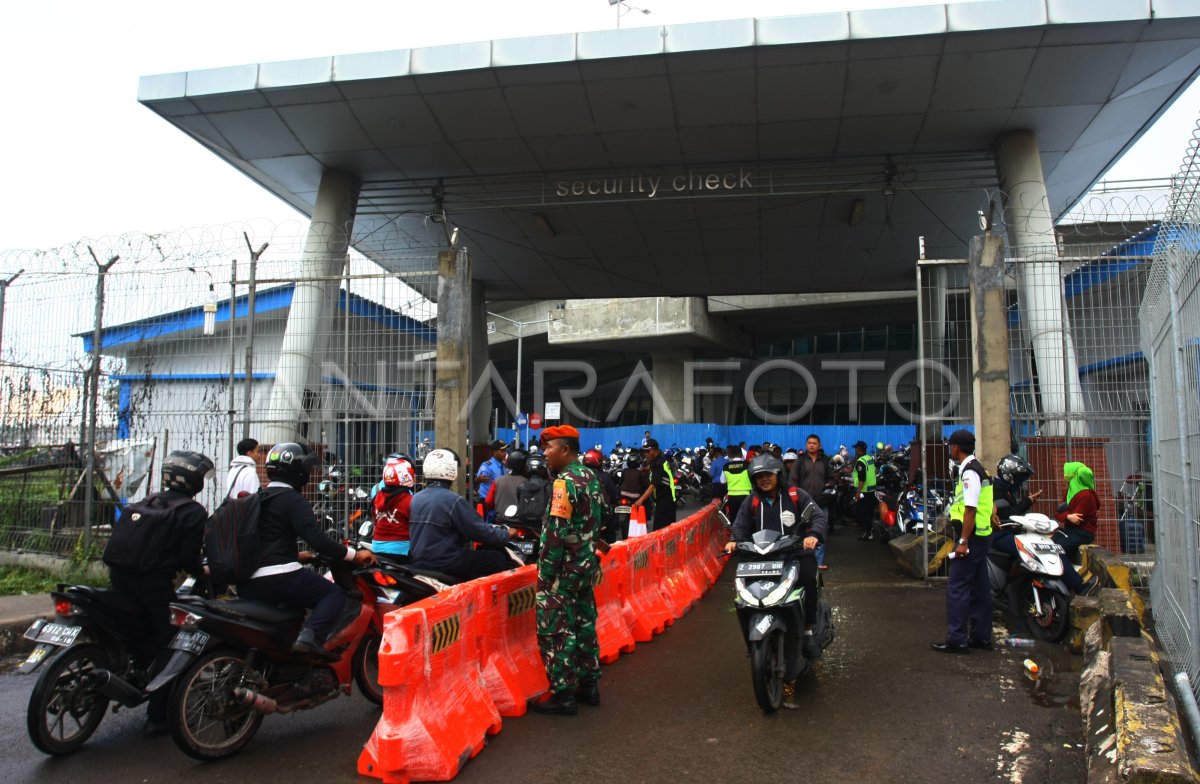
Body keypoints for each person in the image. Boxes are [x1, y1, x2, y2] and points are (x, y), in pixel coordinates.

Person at [103, 449, 213, 736]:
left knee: (133, 628)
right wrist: (200, 572)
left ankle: (131, 668)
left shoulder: (148, 500)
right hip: (152, 585)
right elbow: (190, 556)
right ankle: (157, 716)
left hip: (119, 577)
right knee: (173, 641)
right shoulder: (192, 512)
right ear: (194, 481)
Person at [236, 442, 376, 658]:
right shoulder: (293, 500)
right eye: (307, 470)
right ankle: (310, 638)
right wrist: (354, 555)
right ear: (297, 471)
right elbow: (318, 540)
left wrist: (297, 555)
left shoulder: (259, 498)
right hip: (279, 578)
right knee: (333, 595)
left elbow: (268, 538)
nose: (310, 474)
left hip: (249, 580)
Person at [531, 425, 606, 715]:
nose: (544, 454)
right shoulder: (591, 476)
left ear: (564, 450)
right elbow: (604, 517)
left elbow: (554, 534)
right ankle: (589, 686)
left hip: (562, 571)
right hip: (586, 566)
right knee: (585, 623)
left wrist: (546, 577)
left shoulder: (564, 483)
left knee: (555, 631)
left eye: (549, 448)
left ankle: (563, 694)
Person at [724, 454, 827, 659]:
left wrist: (813, 536)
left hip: (794, 554)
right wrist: (735, 540)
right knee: (742, 592)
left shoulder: (796, 494)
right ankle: (751, 635)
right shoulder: (752, 500)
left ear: (779, 474)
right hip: (760, 558)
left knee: (808, 576)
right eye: (759, 476)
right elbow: (740, 524)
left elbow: (817, 516)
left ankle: (807, 630)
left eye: (768, 474)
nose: (764, 479)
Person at [409, 448, 519, 581]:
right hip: (444, 560)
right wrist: (505, 534)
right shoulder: (453, 500)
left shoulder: (416, 498)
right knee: (497, 559)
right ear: (451, 470)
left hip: (420, 559)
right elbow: (478, 530)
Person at [932, 430, 994, 654]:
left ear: (957, 447)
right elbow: (989, 502)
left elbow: (970, 509)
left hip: (972, 537)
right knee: (980, 587)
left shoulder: (969, 472)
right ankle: (981, 636)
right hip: (982, 535)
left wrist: (963, 541)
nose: (950, 448)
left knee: (957, 587)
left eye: (951, 445)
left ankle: (957, 639)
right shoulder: (979, 468)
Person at [1053, 461, 1101, 594]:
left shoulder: (1086, 496)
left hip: (1082, 532)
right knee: (1048, 545)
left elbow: (1076, 520)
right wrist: (1067, 516)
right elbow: (1059, 513)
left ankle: (1079, 586)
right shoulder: (1071, 492)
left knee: (1056, 551)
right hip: (1071, 530)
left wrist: (1066, 516)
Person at [792, 433, 835, 568]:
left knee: (820, 531)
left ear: (819, 446)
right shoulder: (800, 461)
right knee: (800, 532)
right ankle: (801, 562)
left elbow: (832, 478)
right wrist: (796, 499)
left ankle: (818, 562)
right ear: (806, 445)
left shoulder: (825, 461)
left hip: (821, 503)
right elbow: (793, 481)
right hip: (803, 504)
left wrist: (829, 485)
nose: (811, 445)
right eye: (809, 443)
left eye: (814, 443)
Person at [372, 456, 416, 559]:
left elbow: (375, 522)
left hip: (376, 548)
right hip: (401, 550)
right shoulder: (409, 500)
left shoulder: (377, 497)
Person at [633, 438, 677, 530]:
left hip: (665, 502)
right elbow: (655, 468)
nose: (646, 454)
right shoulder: (660, 458)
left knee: (660, 531)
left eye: (648, 451)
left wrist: (640, 500)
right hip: (668, 499)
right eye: (644, 452)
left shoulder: (658, 464)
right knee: (668, 529)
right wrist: (647, 469)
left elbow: (653, 485)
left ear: (654, 450)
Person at [583, 447, 620, 542]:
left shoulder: (577, 476)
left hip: (582, 521)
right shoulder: (604, 478)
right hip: (601, 520)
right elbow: (614, 496)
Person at [487, 449, 529, 520]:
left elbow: (488, 501)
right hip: (520, 522)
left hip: (500, 521)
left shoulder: (497, 481)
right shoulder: (527, 482)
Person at [475, 439, 508, 519]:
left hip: (499, 501)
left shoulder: (503, 465)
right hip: (487, 501)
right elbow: (478, 481)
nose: (505, 453)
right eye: (502, 451)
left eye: (505, 451)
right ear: (494, 452)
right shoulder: (487, 466)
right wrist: (477, 480)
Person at [852, 440, 877, 541]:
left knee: (861, 513)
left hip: (864, 491)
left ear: (859, 449)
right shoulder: (869, 458)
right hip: (871, 490)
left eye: (856, 449)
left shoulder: (861, 461)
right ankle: (868, 531)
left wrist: (858, 492)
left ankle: (869, 533)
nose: (855, 450)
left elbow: (862, 478)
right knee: (868, 513)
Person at [721, 446, 752, 519]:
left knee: (734, 517)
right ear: (741, 454)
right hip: (746, 495)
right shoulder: (747, 465)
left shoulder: (726, 466)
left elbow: (722, 481)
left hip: (732, 496)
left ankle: (735, 530)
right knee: (746, 517)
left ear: (731, 454)